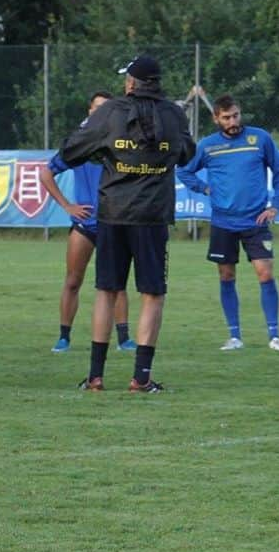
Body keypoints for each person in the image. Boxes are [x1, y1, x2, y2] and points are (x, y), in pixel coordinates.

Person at [59, 55, 195, 393]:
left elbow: (71, 149)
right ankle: (141, 377)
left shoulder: (110, 112)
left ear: (132, 83)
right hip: (152, 217)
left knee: (106, 290)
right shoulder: (174, 114)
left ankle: (95, 377)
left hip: (113, 214)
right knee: (152, 294)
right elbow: (188, 154)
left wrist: (102, 151)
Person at [178, 94, 279, 351]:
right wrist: (204, 189)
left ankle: (274, 335)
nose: (233, 121)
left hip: (256, 220)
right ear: (216, 118)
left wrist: (275, 205)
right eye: (227, 117)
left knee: (265, 273)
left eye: (236, 115)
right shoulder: (208, 146)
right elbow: (183, 170)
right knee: (226, 274)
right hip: (223, 222)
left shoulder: (260, 138)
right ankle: (234, 336)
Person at [39, 90, 135, 354]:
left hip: (113, 221)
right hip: (84, 225)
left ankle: (124, 338)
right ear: (89, 111)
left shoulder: (120, 140)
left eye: (106, 108)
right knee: (72, 280)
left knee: (116, 283)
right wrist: (68, 206)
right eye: (97, 108)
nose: (101, 112)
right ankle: (64, 337)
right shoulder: (80, 142)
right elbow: (46, 174)